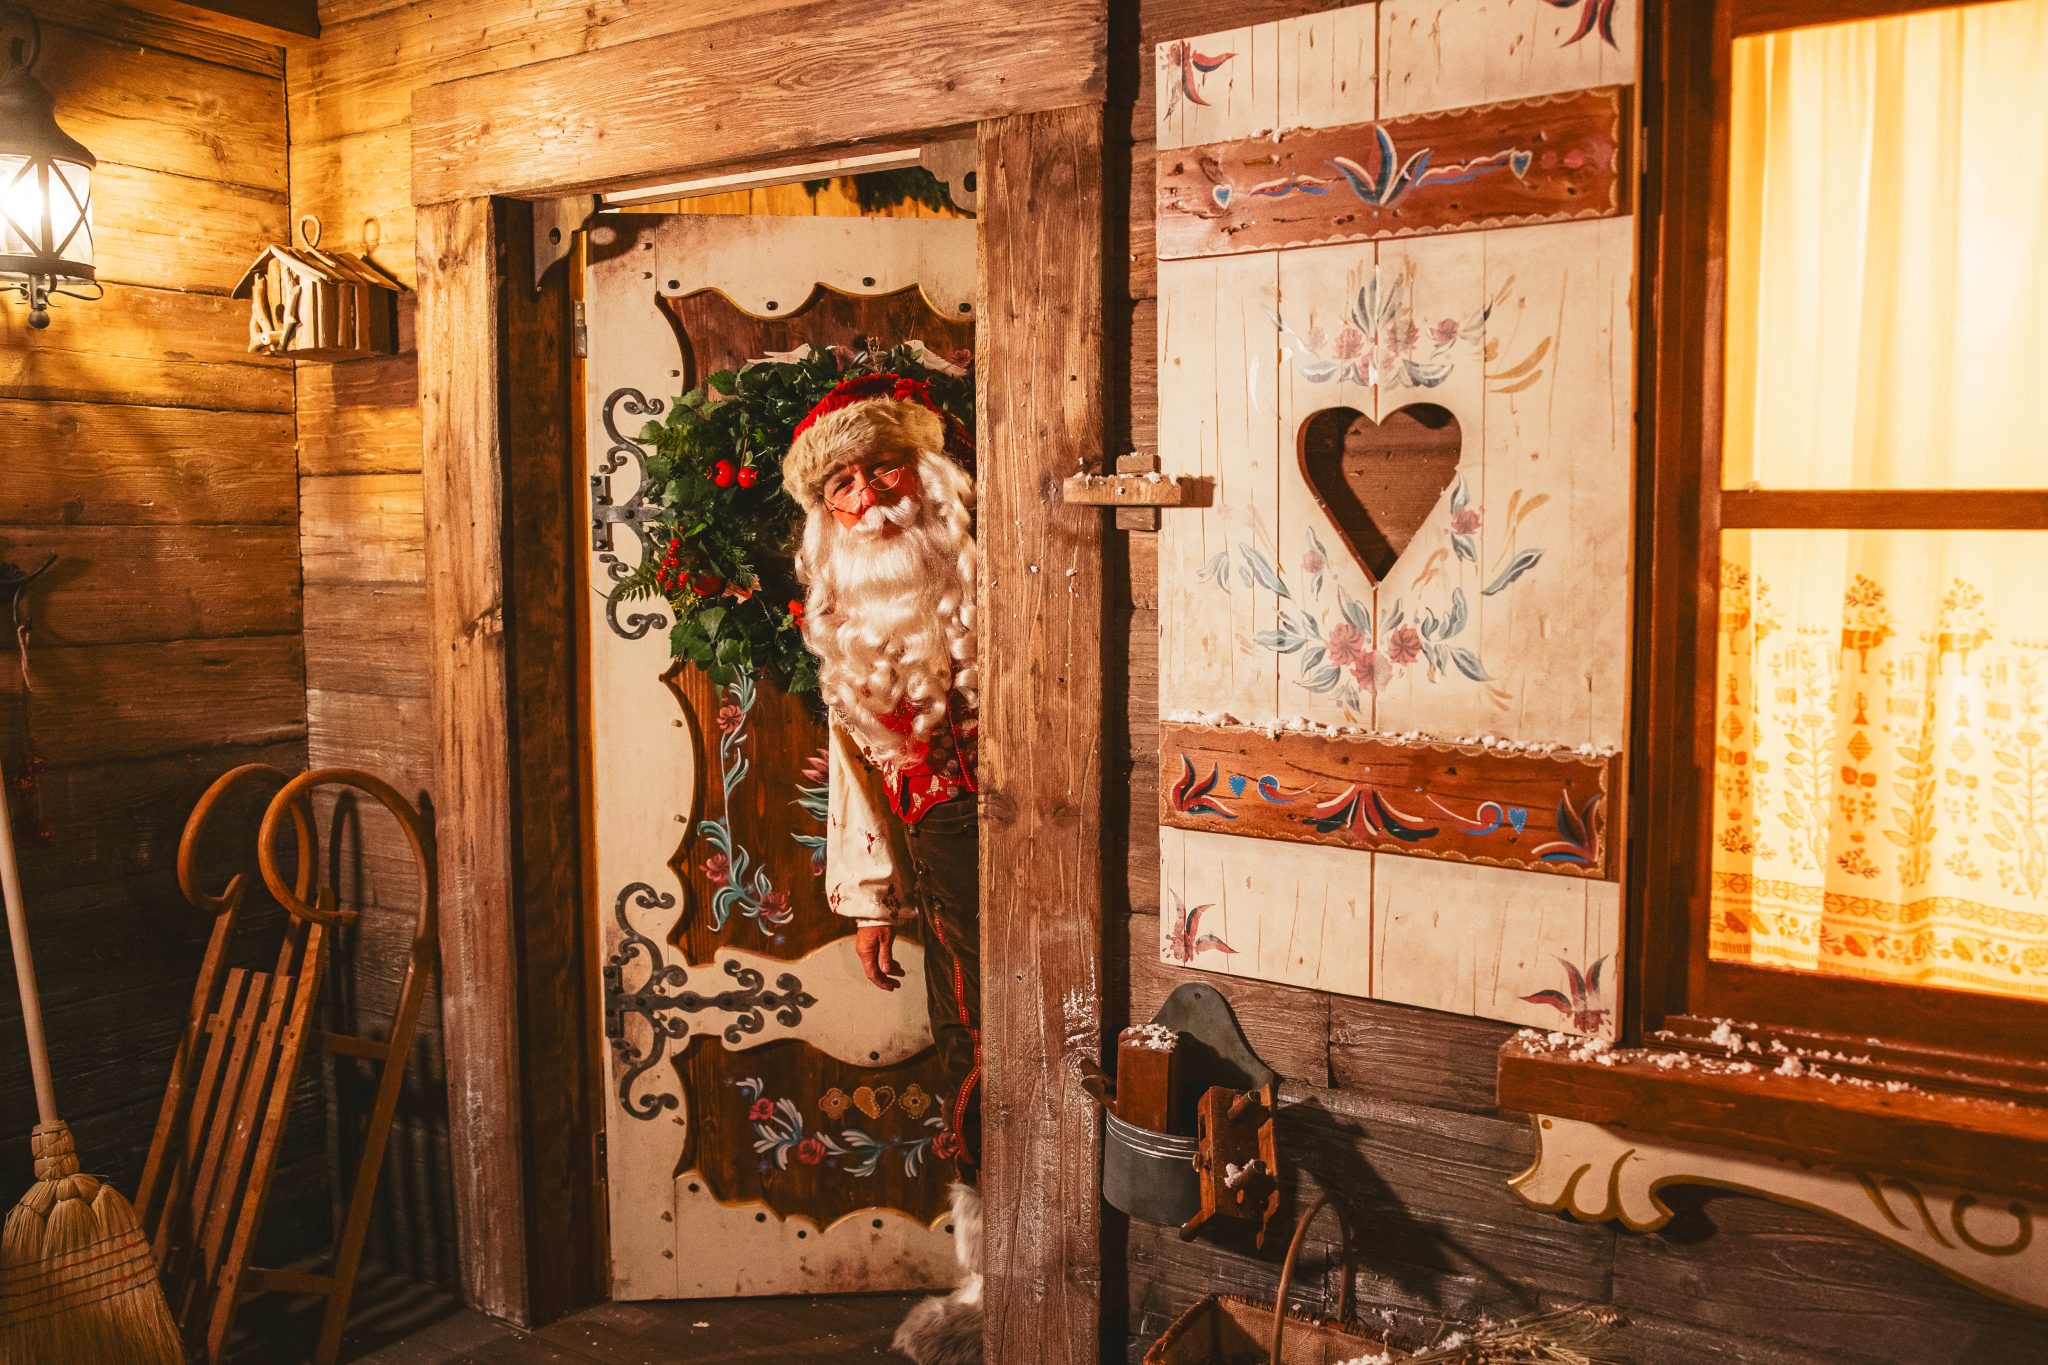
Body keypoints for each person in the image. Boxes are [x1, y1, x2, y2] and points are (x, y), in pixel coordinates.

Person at [786, 373, 983, 1365]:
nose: (869, 500)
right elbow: (856, 761)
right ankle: (991, 1276)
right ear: (825, 513)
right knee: (971, 1045)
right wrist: (870, 899)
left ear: (923, 471)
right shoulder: (842, 613)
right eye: (843, 486)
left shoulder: (984, 565)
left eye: (884, 469)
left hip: (1040, 841)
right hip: (940, 864)